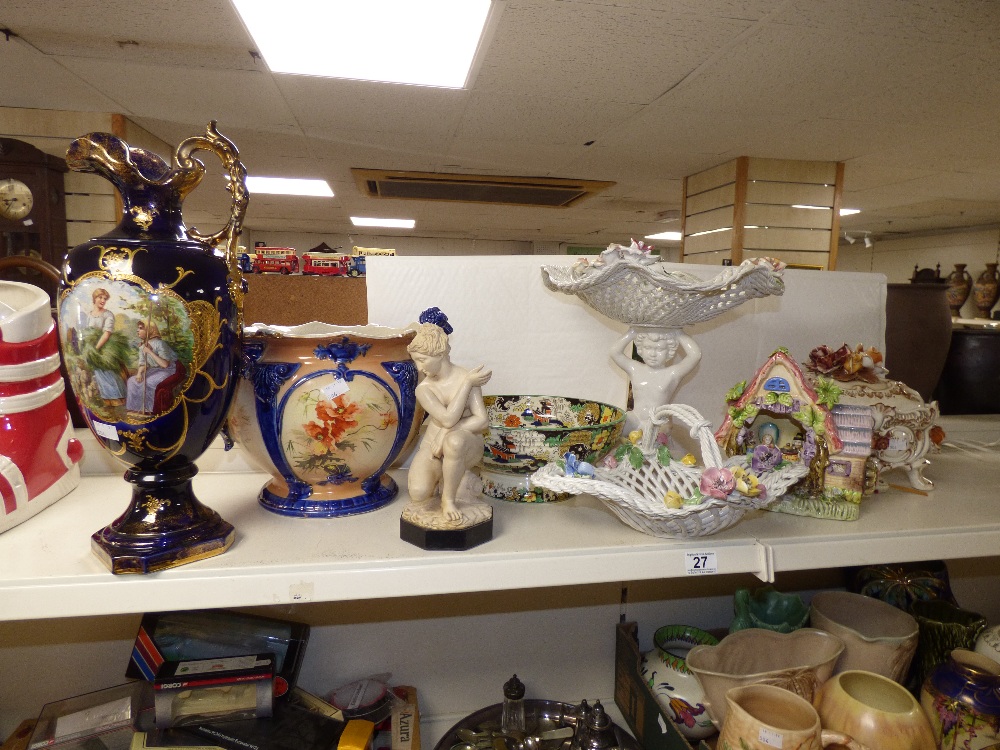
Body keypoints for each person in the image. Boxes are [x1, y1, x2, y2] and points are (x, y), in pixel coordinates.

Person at [406, 323, 492, 523]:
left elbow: (482, 421)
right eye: (416, 362)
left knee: (453, 441)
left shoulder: (465, 376)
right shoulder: (425, 389)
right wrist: (467, 385)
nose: (420, 367)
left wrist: (445, 433)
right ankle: (447, 479)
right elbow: (447, 418)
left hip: (465, 444)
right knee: (419, 492)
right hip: (433, 448)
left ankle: (448, 499)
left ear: (439, 354)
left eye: (422, 360)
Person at [611, 328, 701, 434]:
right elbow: (614, 352)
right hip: (635, 418)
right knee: (616, 428)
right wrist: (633, 331)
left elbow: (695, 355)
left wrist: (678, 333)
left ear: (669, 351)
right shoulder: (635, 369)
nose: (652, 354)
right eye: (648, 348)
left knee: (655, 440)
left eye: (659, 349)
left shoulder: (672, 374)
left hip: (658, 423)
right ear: (640, 348)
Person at [82, 287, 129, 407]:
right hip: (92, 347)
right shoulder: (90, 315)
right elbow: (88, 332)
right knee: (99, 373)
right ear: (94, 298)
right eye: (100, 297)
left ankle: (118, 399)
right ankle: (107, 399)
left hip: (105, 347)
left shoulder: (108, 314)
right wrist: (89, 348)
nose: (102, 300)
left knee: (109, 373)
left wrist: (96, 349)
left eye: (105, 298)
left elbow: (107, 333)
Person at [126, 321, 179, 414]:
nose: (137, 330)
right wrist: (139, 374)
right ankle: (134, 408)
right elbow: (143, 363)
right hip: (154, 370)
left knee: (149, 382)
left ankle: (148, 410)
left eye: (141, 328)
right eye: (138, 328)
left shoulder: (160, 343)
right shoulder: (142, 346)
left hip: (167, 370)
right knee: (132, 381)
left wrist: (150, 352)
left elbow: (165, 364)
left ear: (149, 330)